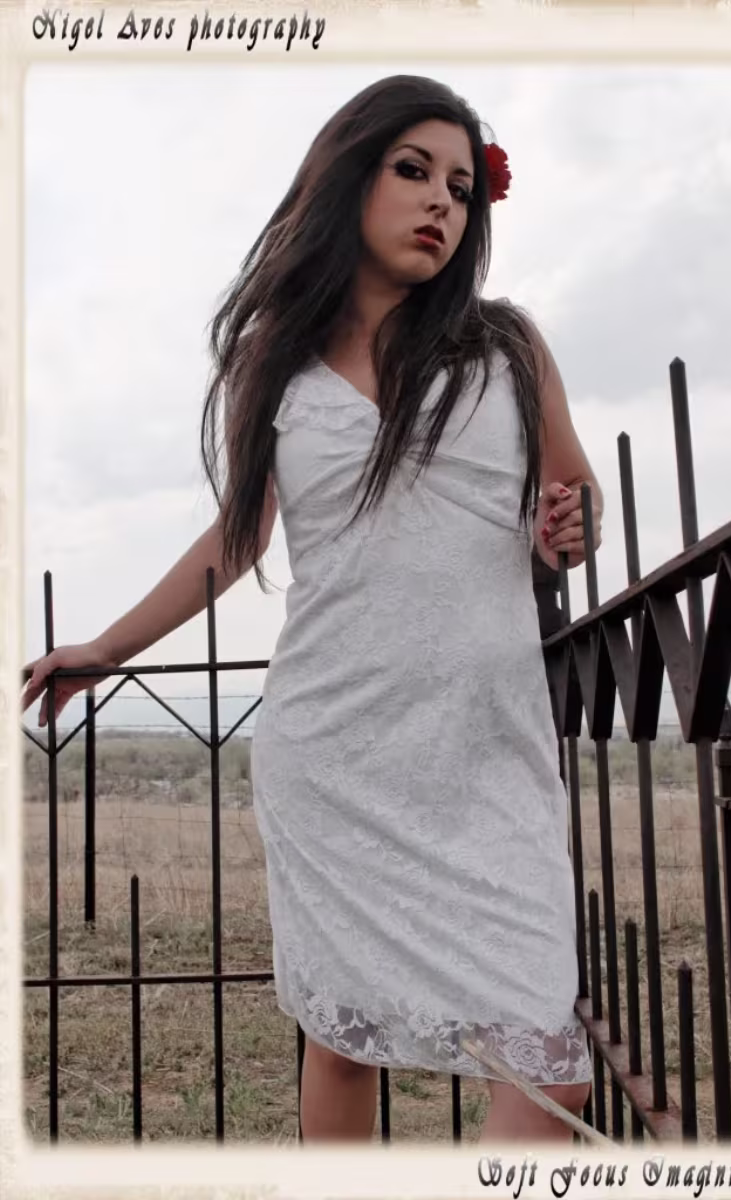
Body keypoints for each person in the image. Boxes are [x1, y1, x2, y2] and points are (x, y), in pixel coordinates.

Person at [23, 75, 603, 1143]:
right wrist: (107, 646)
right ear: (349, 178)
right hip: (334, 753)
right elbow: (236, 537)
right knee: (343, 1038)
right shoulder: (277, 366)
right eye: (413, 171)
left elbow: (571, 497)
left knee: (548, 1071)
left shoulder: (506, 350)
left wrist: (569, 525)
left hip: (487, 754)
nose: (440, 203)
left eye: (462, 188)